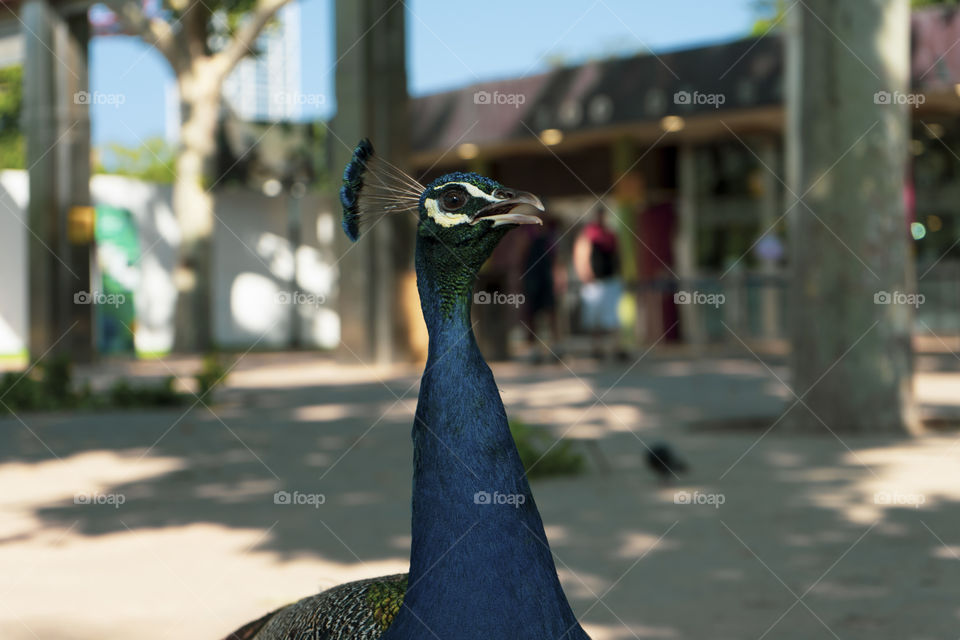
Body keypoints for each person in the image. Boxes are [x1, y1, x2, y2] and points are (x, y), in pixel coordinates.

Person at [573, 206, 625, 360]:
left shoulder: (610, 234)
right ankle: (597, 349)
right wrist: (585, 274)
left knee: (613, 317)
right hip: (594, 283)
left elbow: (618, 255)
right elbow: (581, 254)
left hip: (610, 280)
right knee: (594, 319)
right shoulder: (588, 234)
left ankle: (617, 347)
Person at [520, 213, 565, 363]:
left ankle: (556, 347)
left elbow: (557, 258)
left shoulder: (551, 234)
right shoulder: (528, 233)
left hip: (548, 277)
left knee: (552, 313)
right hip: (532, 277)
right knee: (532, 314)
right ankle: (533, 349)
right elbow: (521, 255)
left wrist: (559, 277)